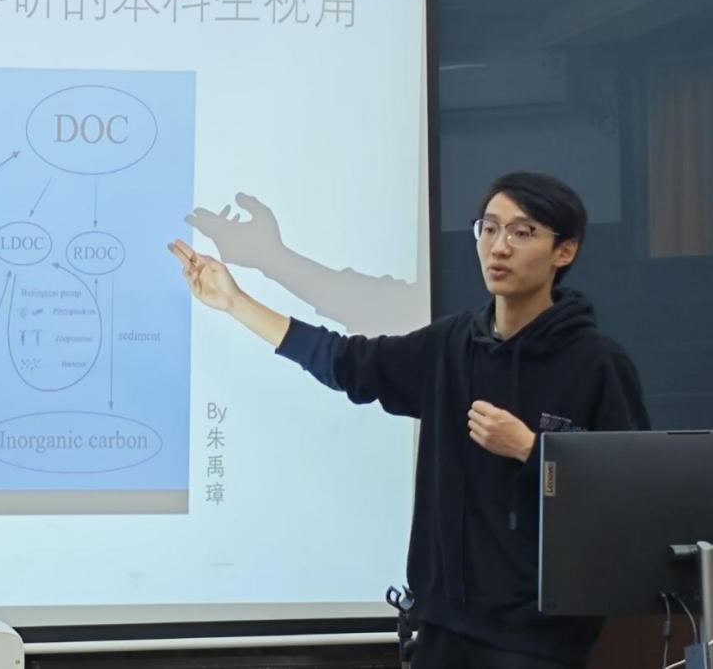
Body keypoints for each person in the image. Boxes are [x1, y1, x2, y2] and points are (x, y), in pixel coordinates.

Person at [168, 171, 650, 669]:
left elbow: (629, 498)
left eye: (521, 232)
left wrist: (532, 450)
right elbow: (345, 362)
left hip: (536, 642)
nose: (499, 246)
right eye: (488, 228)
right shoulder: (450, 345)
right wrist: (236, 302)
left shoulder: (597, 364)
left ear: (563, 251)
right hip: (442, 627)